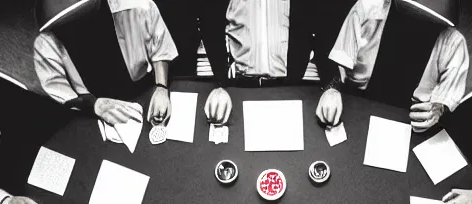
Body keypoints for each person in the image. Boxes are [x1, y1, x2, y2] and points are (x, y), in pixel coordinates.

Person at [318, 0, 468, 131]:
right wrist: (332, 88)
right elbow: (337, 60)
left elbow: (448, 100)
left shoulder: (454, 43)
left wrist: (439, 109)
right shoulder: (368, 7)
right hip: (356, 103)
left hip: (409, 120)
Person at [199, 0, 354, 126]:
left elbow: (324, 34)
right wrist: (220, 85)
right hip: (239, 91)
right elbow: (210, 30)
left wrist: (332, 87)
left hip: (291, 92)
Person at [34, 0, 179, 127]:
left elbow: (160, 46)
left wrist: (161, 87)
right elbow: (55, 87)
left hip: (142, 91)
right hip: (92, 110)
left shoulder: (137, 6)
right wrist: (93, 105)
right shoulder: (46, 41)